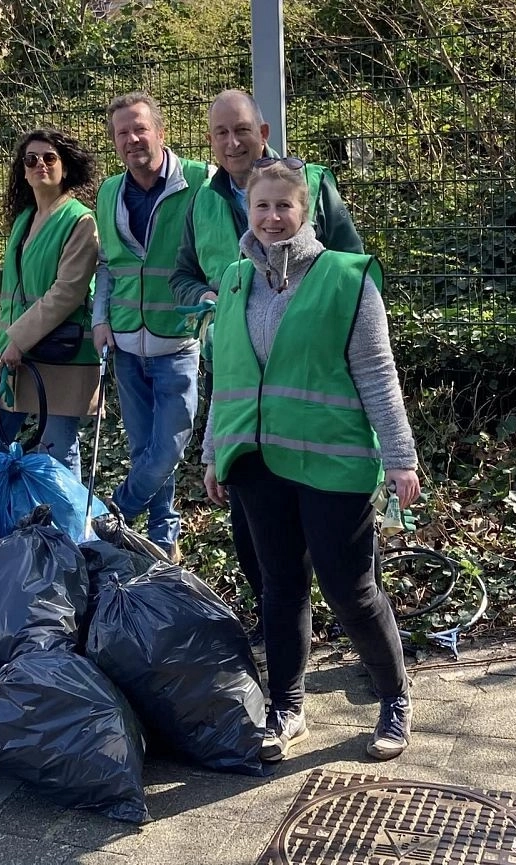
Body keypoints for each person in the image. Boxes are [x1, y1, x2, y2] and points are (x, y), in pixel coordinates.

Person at [202, 159, 420, 762]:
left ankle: (393, 696)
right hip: (255, 462)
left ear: (306, 212)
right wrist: (213, 450)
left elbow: (377, 373)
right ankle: (286, 707)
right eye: (261, 207)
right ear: (248, 213)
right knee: (279, 585)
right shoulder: (235, 281)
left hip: (332, 461)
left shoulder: (347, 278)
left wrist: (401, 458)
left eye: (284, 207)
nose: (273, 218)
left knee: (350, 589)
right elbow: (227, 376)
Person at [170, 88, 365, 669]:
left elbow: (353, 267)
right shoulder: (199, 200)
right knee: (259, 542)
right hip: (240, 396)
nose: (232, 143)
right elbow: (182, 275)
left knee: (338, 549)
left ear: (262, 127)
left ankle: (366, 645)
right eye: (220, 135)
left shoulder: (309, 181)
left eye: (241, 130)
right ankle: (282, 645)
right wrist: (207, 299)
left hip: (315, 394)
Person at [91, 92, 209, 561]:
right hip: (123, 341)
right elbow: (106, 266)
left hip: (177, 339)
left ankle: (111, 513)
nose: (132, 139)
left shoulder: (200, 181)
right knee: (144, 449)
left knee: (168, 450)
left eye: (140, 128)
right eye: (122, 132)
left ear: (160, 131)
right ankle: (163, 540)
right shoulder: (108, 192)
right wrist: (99, 320)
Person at [0, 128, 101, 477]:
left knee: (55, 456)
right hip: (14, 353)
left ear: (65, 168)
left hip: (61, 353)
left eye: (49, 158)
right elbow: (21, 288)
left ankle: (66, 530)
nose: (40, 164)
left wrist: (18, 340)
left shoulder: (81, 221)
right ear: (23, 172)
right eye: (31, 159)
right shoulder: (24, 220)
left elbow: (67, 292)